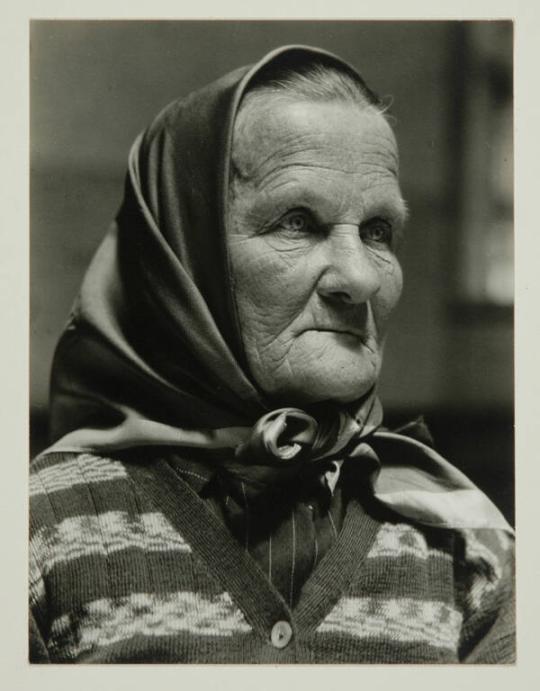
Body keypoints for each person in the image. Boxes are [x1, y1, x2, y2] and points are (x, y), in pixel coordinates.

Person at [29, 45, 515, 664]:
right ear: (185, 260)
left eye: (377, 231)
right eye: (298, 222)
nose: (360, 278)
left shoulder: (469, 552)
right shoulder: (36, 534)